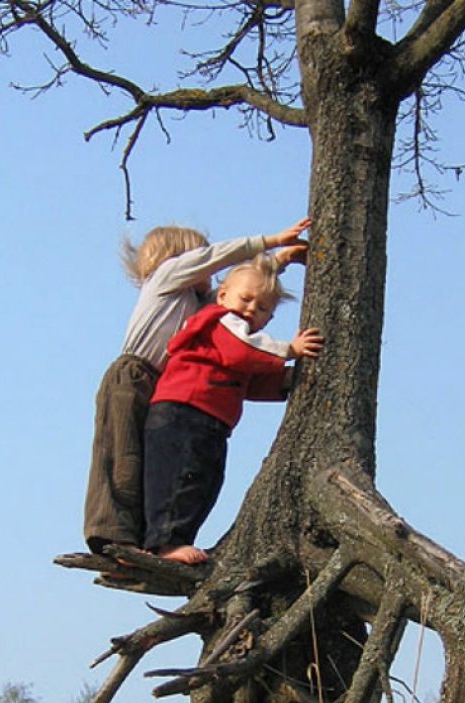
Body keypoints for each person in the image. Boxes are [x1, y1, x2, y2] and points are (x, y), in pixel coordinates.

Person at [83, 218, 310, 555]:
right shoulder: (165, 280)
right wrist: (269, 241)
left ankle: (146, 540)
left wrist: (278, 263)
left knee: (154, 466)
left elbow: (240, 295)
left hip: (165, 384)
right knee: (122, 457)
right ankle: (112, 538)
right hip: (132, 377)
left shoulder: (200, 308)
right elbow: (220, 265)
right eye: (201, 258)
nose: (210, 266)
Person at [141, 254, 324, 564]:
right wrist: (289, 351)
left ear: (269, 319)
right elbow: (243, 350)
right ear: (223, 295)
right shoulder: (221, 322)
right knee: (180, 479)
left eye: (263, 308)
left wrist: (287, 382)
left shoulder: (238, 340)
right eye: (246, 299)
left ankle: (176, 541)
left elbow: (249, 383)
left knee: (204, 482)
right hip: (185, 412)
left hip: (209, 422)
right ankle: (166, 543)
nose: (252, 309)